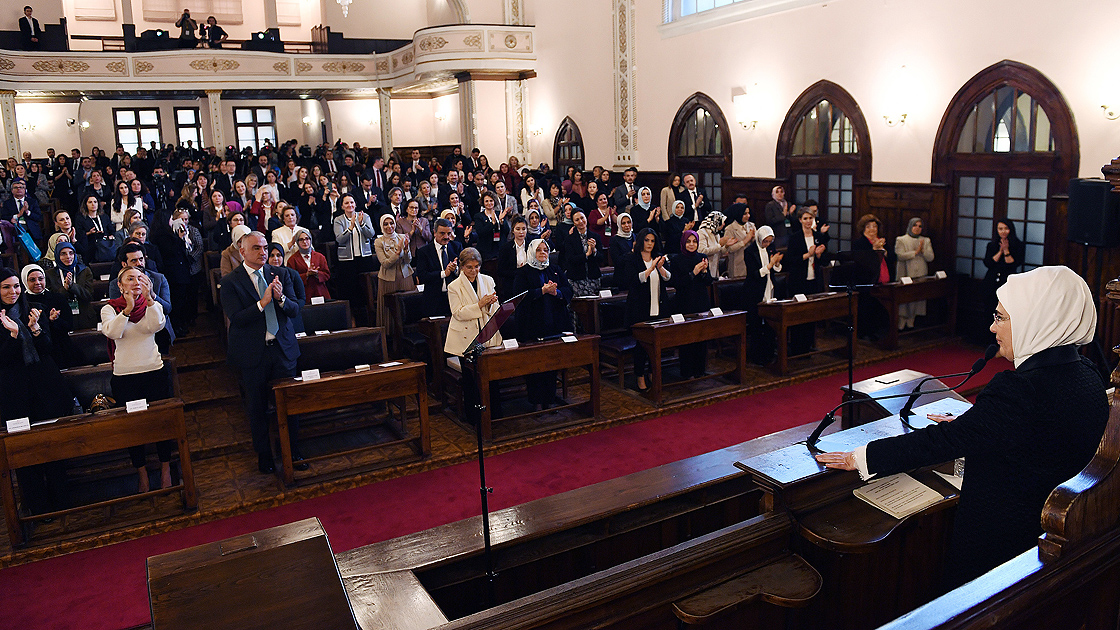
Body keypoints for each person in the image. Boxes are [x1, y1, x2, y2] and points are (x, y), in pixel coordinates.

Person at [816, 266, 1108, 590]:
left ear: (1035, 321)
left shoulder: (1019, 389)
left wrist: (862, 456)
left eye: (1000, 318)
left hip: (1001, 547)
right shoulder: (1088, 374)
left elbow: (943, 442)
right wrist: (979, 422)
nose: (992, 327)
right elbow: (1039, 431)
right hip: (1059, 538)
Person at [220, 232, 306, 475]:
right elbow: (236, 318)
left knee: (288, 403)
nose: (263, 252)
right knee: (257, 407)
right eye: (256, 248)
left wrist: (280, 298)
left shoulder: (281, 274)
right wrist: (262, 303)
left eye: (265, 247)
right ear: (242, 251)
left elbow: (295, 310)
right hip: (252, 353)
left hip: (282, 350)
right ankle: (265, 455)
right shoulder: (231, 281)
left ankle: (292, 450)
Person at [0, 268, 72, 515]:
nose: (13, 292)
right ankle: (38, 507)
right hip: (15, 393)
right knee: (24, 452)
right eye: (6, 287)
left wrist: (35, 329)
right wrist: (13, 335)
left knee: (52, 445)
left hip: (45, 388)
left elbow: (48, 348)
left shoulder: (35, 308)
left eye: (15, 286)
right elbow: (3, 361)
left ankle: (61, 501)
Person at [102, 266, 174, 493]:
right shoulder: (110, 308)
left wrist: (150, 298)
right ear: (120, 285)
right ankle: (141, 472)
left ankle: (166, 468)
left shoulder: (152, 305)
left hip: (154, 372)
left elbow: (157, 325)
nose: (135, 282)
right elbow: (112, 332)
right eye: (130, 278)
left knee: (161, 423)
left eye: (140, 278)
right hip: (125, 377)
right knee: (133, 428)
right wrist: (127, 309)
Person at [513, 239, 574, 410]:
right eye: (538, 250)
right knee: (534, 364)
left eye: (545, 250)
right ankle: (536, 401)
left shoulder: (555, 269)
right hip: (531, 325)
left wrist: (557, 292)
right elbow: (519, 296)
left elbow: (568, 290)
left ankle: (550, 398)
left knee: (551, 361)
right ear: (532, 252)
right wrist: (541, 291)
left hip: (553, 324)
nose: (542, 253)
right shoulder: (523, 272)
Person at [445, 247, 502, 424]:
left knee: (491, 376)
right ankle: (474, 418)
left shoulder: (488, 279)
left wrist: (491, 304)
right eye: (469, 267)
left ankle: (494, 414)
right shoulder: (454, 286)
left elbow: (496, 309)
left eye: (477, 266)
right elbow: (458, 313)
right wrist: (480, 305)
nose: (474, 270)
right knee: (471, 379)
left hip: (488, 333)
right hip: (466, 337)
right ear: (462, 267)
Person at [624, 229, 670, 391]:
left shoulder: (659, 257)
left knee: (656, 344)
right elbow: (631, 280)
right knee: (641, 346)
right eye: (647, 240)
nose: (650, 244)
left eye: (652, 241)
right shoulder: (632, 258)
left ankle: (652, 373)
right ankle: (640, 376)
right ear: (641, 241)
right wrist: (650, 269)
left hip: (658, 306)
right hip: (639, 308)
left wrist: (660, 267)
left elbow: (668, 278)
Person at [110, 242, 175, 352]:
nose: (139, 263)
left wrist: (152, 295)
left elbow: (167, 309)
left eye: (141, 259)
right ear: (124, 264)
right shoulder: (116, 284)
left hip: (158, 330)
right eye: (134, 261)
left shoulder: (159, 279)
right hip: (131, 331)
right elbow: (116, 310)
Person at [670, 231, 713, 379]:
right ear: (683, 243)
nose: (691, 244)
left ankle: (700, 370)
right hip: (685, 303)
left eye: (694, 241)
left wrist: (704, 271)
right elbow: (677, 284)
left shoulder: (702, 257)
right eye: (688, 241)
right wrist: (693, 272)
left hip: (701, 302)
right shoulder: (676, 260)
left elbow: (708, 281)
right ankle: (687, 372)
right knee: (687, 340)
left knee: (702, 338)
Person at [785, 209, 828, 354]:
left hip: (814, 280)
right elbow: (790, 260)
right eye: (805, 218)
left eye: (810, 218)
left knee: (811, 313)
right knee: (798, 314)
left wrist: (819, 255)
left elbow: (825, 260)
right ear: (800, 220)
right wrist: (807, 255)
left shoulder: (819, 236)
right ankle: (797, 347)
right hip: (798, 281)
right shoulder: (795, 238)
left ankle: (809, 345)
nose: (808, 221)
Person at [22, 263, 74, 367]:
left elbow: (69, 325)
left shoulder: (57, 298)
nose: (37, 283)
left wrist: (55, 320)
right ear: (25, 281)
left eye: (40, 279)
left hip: (60, 348)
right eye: (32, 280)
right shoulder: (23, 302)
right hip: (37, 351)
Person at [852, 213, 894, 340]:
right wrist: (874, 249)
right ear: (863, 229)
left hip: (883, 278)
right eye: (869, 227)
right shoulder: (859, 243)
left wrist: (884, 251)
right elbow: (861, 261)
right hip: (866, 280)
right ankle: (865, 333)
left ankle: (880, 332)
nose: (872, 229)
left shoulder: (882, 241)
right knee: (866, 306)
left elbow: (893, 258)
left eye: (874, 226)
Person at [745, 225, 783, 365]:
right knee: (756, 326)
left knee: (770, 324)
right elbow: (754, 274)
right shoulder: (749, 251)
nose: (767, 244)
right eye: (765, 241)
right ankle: (757, 356)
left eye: (769, 241)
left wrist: (776, 264)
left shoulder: (771, 248)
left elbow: (776, 270)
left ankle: (769, 353)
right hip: (755, 291)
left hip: (769, 288)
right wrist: (769, 265)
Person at [332, 193, 376, 310]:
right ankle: (353, 315)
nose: (349, 205)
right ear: (342, 206)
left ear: (355, 204)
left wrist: (361, 224)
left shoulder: (364, 216)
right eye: (346, 203)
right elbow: (340, 239)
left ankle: (368, 313)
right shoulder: (338, 220)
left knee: (366, 289)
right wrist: (350, 228)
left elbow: (371, 234)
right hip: (347, 261)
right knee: (351, 290)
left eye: (351, 202)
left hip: (364, 258)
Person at [374, 213, 416, 329]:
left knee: (407, 306)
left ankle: (408, 329)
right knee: (390, 308)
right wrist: (397, 253)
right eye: (386, 224)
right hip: (388, 279)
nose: (389, 226)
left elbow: (408, 261)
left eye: (391, 223)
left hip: (405, 276)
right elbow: (385, 263)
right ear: (382, 226)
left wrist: (406, 250)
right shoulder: (379, 242)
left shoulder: (402, 237)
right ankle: (390, 332)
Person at [413, 219, 461, 318]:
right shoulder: (424, 251)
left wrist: (455, 270)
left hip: (455, 299)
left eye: (449, 233)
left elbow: (464, 271)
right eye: (442, 233)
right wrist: (444, 273)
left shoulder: (457, 247)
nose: (446, 237)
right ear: (434, 233)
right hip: (434, 301)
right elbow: (422, 276)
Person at [894, 217, 935, 329]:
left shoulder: (925, 240)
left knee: (917, 299)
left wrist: (923, 251)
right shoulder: (901, 239)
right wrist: (915, 252)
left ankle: (911, 321)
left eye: (920, 226)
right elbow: (900, 255)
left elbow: (930, 257)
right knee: (904, 298)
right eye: (915, 225)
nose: (917, 228)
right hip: (905, 273)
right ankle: (901, 322)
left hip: (920, 273)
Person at [982, 219, 1024, 324]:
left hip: (1007, 281)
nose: (1003, 231)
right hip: (991, 281)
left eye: (1006, 228)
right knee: (989, 309)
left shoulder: (1018, 245)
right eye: (1000, 229)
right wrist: (1000, 251)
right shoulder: (992, 245)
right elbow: (988, 263)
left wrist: (1006, 250)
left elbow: (1013, 264)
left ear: (1011, 229)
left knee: (1005, 311)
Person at [561, 210, 603, 297]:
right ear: (574, 223)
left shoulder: (595, 236)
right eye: (577, 220)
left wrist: (594, 250)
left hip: (593, 277)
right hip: (577, 279)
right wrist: (586, 255)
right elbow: (570, 259)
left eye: (582, 218)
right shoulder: (569, 239)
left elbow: (601, 258)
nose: (580, 221)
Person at [286, 231, 330, 303]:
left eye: (307, 238)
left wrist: (317, 273)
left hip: (320, 293)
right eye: (301, 239)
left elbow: (327, 275)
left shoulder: (320, 257)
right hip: (304, 295)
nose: (305, 242)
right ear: (297, 242)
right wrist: (306, 275)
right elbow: (291, 280)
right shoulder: (292, 260)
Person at [723, 203, 755, 280]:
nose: (748, 216)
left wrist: (754, 238)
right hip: (737, 263)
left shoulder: (751, 225)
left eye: (748, 213)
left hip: (751, 261)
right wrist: (745, 241)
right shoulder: (730, 229)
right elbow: (729, 249)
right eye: (745, 214)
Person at [696, 211, 728, 279]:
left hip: (715, 269)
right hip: (706, 268)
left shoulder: (716, 234)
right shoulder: (702, 233)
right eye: (722, 222)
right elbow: (702, 251)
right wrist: (719, 245)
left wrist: (726, 245)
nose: (724, 224)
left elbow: (719, 252)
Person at [608, 213, 636, 288]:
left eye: (629, 222)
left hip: (635, 276)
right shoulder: (614, 240)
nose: (627, 225)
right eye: (623, 223)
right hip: (622, 278)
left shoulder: (635, 236)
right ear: (619, 225)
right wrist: (632, 252)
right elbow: (617, 261)